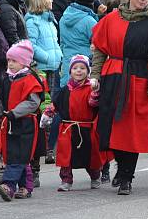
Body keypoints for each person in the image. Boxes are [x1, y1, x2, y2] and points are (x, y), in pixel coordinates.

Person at [91, 0, 148, 195]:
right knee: (112, 128)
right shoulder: (111, 19)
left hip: (138, 80)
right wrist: (95, 75)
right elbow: (99, 49)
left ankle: (126, 177)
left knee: (131, 131)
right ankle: (120, 167)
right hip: (113, 78)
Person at [0, 40, 46, 201]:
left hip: (25, 122)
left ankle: (8, 186)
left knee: (19, 155)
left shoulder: (30, 79)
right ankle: (25, 186)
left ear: (24, 63)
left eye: (14, 61)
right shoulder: (8, 79)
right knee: (13, 154)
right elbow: (0, 101)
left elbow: (33, 102)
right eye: (9, 60)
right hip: (10, 122)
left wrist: (15, 113)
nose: (11, 64)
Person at [44, 55, 104, 191]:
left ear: (88, 71)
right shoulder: (65, 90)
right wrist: (48, 113)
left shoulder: (91, 88)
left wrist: (95, 93)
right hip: (68, 128)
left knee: (90, 156)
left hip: (86, 128)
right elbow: (56, 104)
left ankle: (95, 176)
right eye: (75, 68)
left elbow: (94, 103)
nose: (78, 71)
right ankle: (66, 180)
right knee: (66, 156)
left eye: (82, 68)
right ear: (70, 71)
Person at [25, 0, 62, 162]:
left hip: (53, 66)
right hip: (42, 68)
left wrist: (58, 56)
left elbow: (55, 42)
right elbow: (32, 43)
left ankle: (49, 147)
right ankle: (42, 147)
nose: (52, 1)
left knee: (51, 107)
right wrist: (47, 57)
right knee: (42, 107)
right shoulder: (33, 21)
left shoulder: (50, 20)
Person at [59, 0, 98, 87]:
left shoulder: (63, 18)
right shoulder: (90, 21)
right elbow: (98, 45)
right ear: (91, 0)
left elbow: (62, 43)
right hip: (83, 68)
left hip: (67, 65)